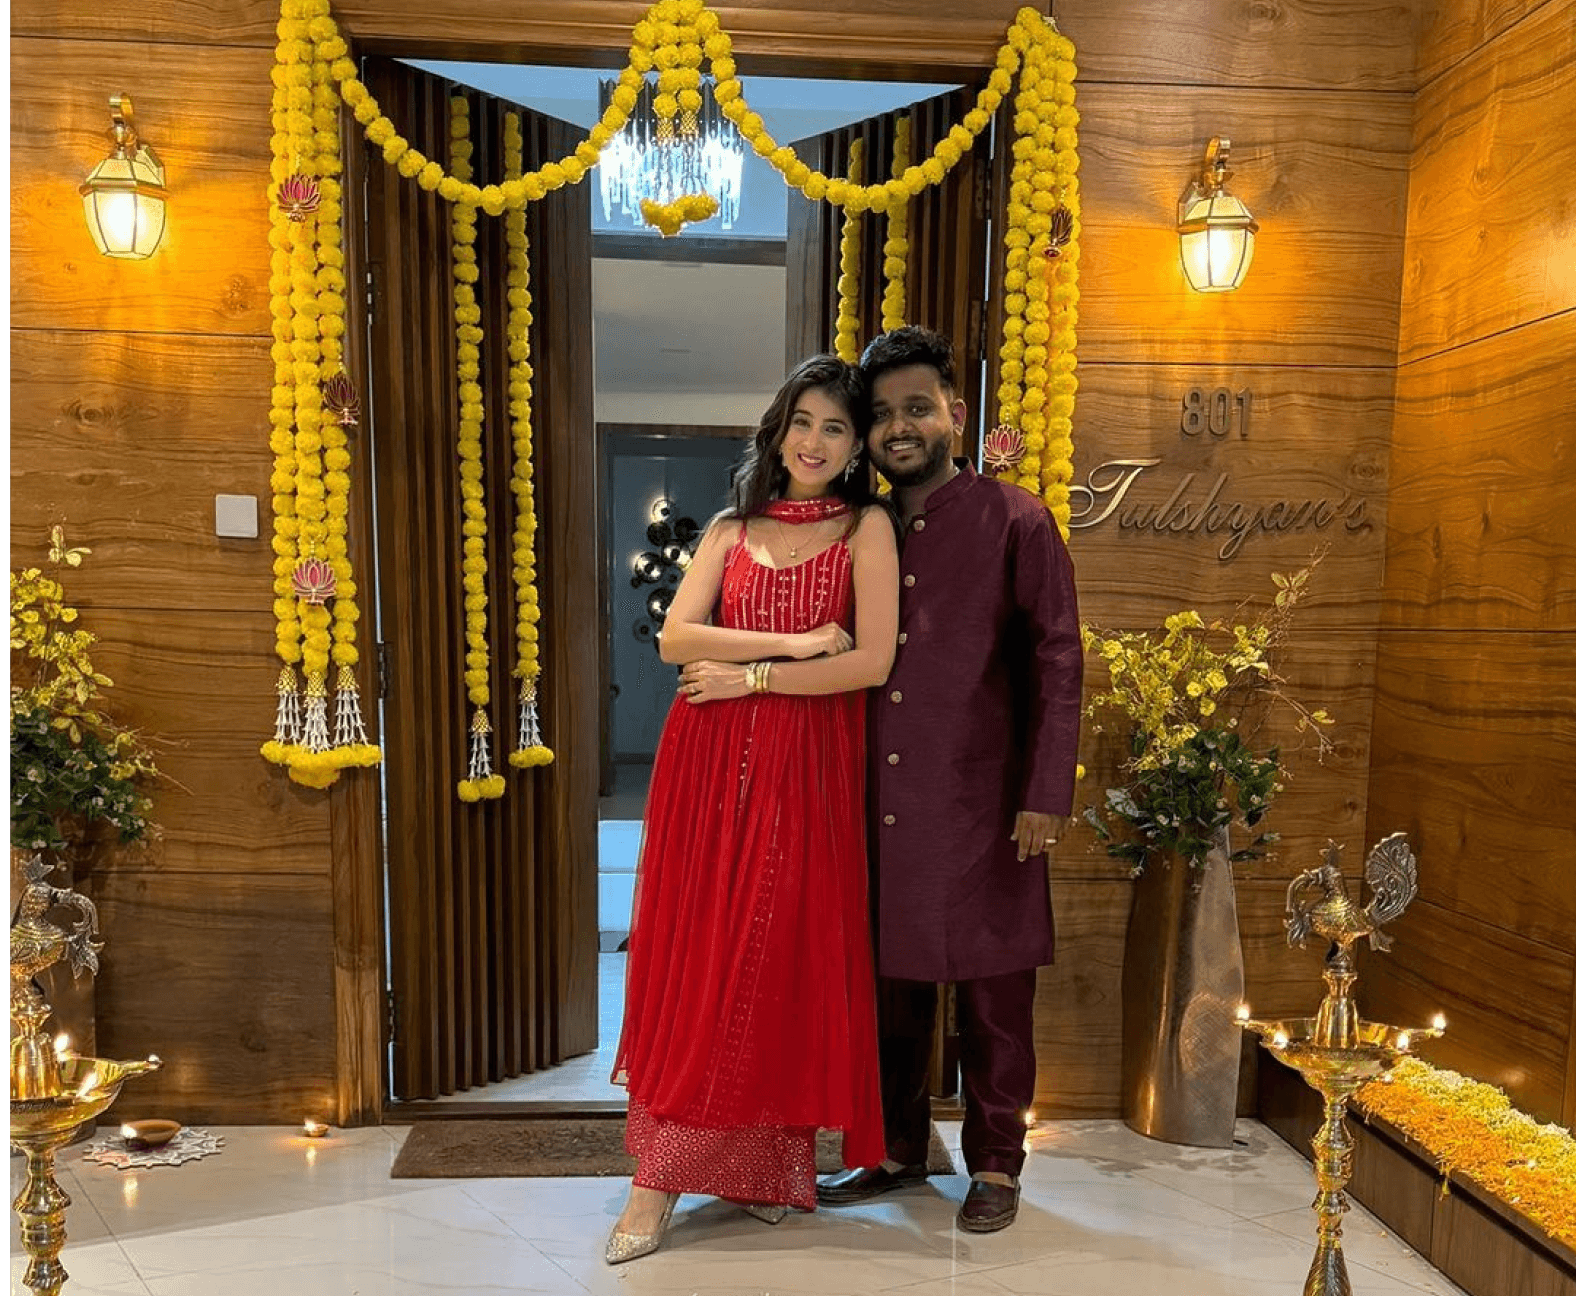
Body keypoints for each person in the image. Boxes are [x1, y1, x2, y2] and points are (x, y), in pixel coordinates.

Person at [605, 354, 900, 1264]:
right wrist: (796, 643)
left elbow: (872, 662)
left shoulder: (867, 528)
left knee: (774, 952)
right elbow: (675, 637)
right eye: (801, 421)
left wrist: (755, 678)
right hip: (707, 765)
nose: (814, 442)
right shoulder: (733, 529)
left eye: (834, 428)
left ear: (855, 447)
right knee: (701, 952)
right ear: (778, 430)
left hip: (805, 769)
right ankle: (657, 1180)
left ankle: (761, 1165)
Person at [817, 326, 1083, 1233]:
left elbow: (1058, 659)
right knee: (889, 995)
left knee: (995, 995)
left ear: (956, 415)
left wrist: (1045, 793)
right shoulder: (862, 528)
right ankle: (895, 1150)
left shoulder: (1016, 519)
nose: (899, 428)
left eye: (917, 408)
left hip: (986, 806)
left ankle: (998, 1165)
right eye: (882, 414)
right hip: (875, 807)